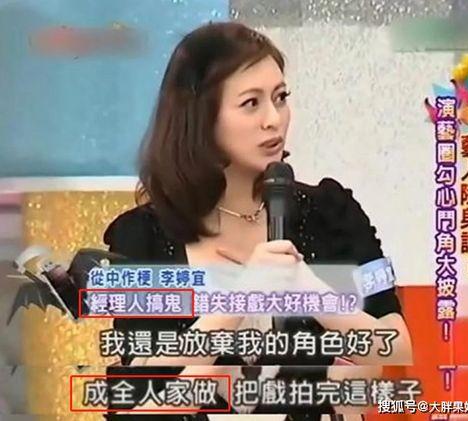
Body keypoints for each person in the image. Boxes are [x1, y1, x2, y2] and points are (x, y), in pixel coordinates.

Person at [104, 21, 412, 420]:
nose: (274, 119)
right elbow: (136, 403)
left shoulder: (331, 212)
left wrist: (314, 295)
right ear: (201, 117)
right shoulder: (142, 237)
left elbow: (397, 345)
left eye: (280, 98)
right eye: (251, 103)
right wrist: (239, 299)